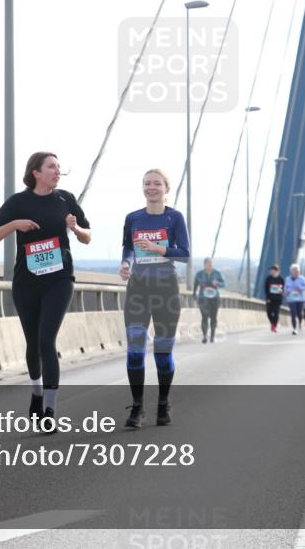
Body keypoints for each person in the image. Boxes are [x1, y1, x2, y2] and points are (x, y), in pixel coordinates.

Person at [0, 152, 91, 431]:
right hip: (27, 282)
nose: (58, 171)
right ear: (36, 172)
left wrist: (75, 227)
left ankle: (50, 411)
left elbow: (88, 236)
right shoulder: (18, 202)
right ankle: (36, 393)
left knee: (46, 340)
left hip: (60, 279)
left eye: (58, 167)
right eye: (52, 167)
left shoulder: (65, 199)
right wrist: (15, 225)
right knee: (32, 342)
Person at [119, 169, 190, 428]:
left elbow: (184, 253)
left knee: (162, 352)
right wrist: (125, 263)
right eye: (147, 183)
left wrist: (160, 248)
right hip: (138, 288)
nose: (152, 188)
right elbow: (128, 247)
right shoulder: (133, 218)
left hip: (166, 290)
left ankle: (163, 403)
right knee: (135, 350)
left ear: (166, 188)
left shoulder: (175, 217)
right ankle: (137, 408)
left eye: (157, 184)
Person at [194, 258, 225, 344]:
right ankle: (204, 336)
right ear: (205, 265)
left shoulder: (217, 273)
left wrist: (218, 283)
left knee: (213, 317)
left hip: (215, 299)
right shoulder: (199, 274)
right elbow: (195, 286)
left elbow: (223, 284)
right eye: (208, 264)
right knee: (204, 317)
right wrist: (194, 296)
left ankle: (212, 336)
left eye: (211, 264)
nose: (210, 265)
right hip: (203, 299)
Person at [284, 264, 305, 335]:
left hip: (300, 299)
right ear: (291, 271)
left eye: (297, 271)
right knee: (293, 313)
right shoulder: (287, 279)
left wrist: (300, 289)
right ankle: (294, 328)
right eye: (294, 271)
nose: (296, 272)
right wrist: (286, 291)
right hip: (291, 298)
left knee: (299, 313)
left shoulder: (302, 278)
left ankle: (300, 322)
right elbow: (285, 287)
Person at [264, 264, 285, 333]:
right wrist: (267, 298)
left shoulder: (281, 279)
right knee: (268, 312)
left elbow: (283, 289)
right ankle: (272, 323)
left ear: (277, 271)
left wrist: (281, 294)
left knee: (276, 313)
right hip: (270, 299)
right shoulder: (268, 279)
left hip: (277, 299)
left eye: (272, 270)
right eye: (270, 270)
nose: (271, 271)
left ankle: (274, 326)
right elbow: (266, 289)